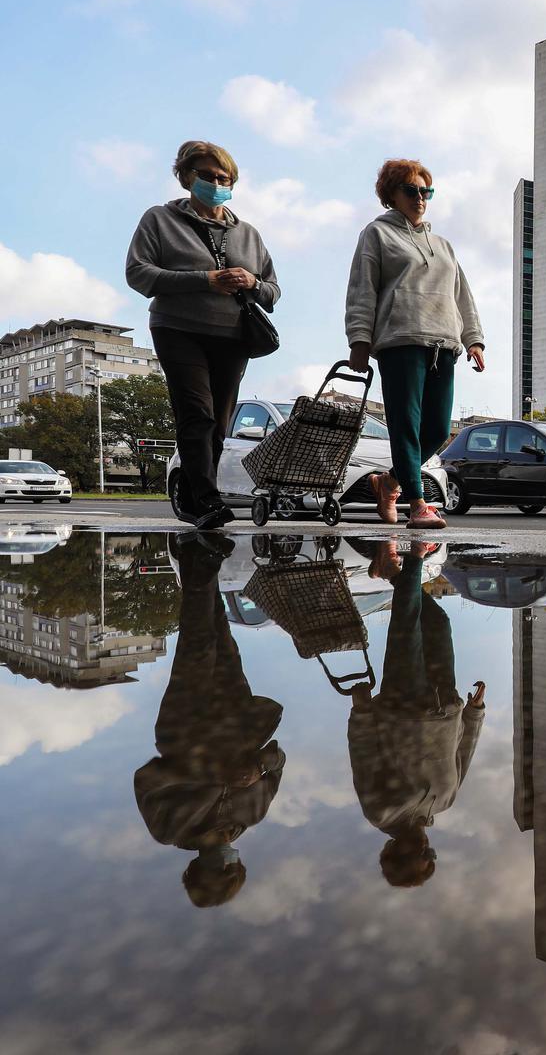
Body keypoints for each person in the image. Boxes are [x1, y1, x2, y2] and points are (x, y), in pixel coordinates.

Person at [126, 141, 280, 529]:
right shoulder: (159, 219)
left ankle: (195, 499)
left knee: (218, 420)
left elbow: (273, 291)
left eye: (222, 177)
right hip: (178, 328)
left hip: (233, 334)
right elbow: (138, 274)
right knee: (195, 413)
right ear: (186, 177)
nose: (215, 182)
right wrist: (205, 280)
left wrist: (252, 282)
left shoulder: (248, 233)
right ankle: (209, 501)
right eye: (206, 176)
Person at [133, 533, 286, 907]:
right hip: (236, 716)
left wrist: (213, 775)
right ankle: (202, 560)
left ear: (194, 870)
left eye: (215, 870)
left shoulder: (169, 829)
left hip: (186, 726)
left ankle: (197, 556)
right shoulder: (251, 815)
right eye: (230, 870)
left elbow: (148, 777)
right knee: (221, 637)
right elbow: (278, 759)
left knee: (198, 643)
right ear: (239, 865)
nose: (224, 863)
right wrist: (258, 767)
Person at [344, 159, 485, 530]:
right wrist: (359, 339)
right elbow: (362, 289)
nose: (420, 198)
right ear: (390, 194)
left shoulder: (443, 245)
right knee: (405, 426)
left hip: (444, 343)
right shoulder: (376, 234)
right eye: (411, 190)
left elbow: (462, 296)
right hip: (400, 341)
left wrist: (473, 339)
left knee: (437, 430)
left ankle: (387, 483)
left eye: (426, 191)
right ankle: (418, 503)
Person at [347, 539, 484, 888]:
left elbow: (365, 758)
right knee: (439, 623)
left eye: (422, 857)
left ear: (396, 854)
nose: (428, 850)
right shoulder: (444, 803)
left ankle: (415, 556)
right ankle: (393, 571)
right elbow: (463, 753)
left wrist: (361, 711)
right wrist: (475, 711)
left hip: (402, 706)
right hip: (446, 700)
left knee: (407, 624)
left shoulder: (381, 811)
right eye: (430, 857)